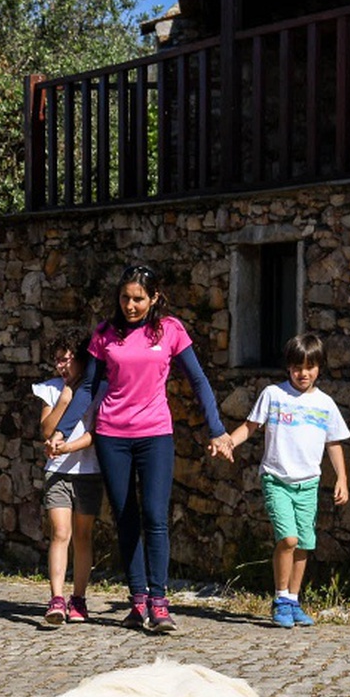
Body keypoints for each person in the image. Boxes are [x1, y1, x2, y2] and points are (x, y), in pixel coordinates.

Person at [50, 263, 232, 634]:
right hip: (112, 436)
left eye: (138, 299)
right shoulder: (105, 334)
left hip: (155, 435)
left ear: (154, 298)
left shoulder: (170, 330)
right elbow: (89, 388)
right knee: (126, 517)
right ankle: (137, 600)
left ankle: (159, 603)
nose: (130, 306)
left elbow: (198, 380)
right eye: (125, 298)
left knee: (154, 515)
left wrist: (216, 429)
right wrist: (62, 430)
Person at [221, 332, 350, 628]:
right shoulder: (274, 395)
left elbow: (334, 443)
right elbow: (250, 426)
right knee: (288, 539)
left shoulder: (326, 404)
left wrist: (342, 478)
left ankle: (293, 600)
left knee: (303, 544)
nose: (303, 373)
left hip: (309, 484)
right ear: (288, 367)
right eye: (296, 367)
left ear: (319, 367)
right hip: (277, 479)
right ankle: (280, 598)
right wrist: (229, 442)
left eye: (309, 367)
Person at [31, 335, 99, 625]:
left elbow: (96, 433)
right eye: (57, 360)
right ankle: (57, 598)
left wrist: (69, 447)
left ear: (82, 359)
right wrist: (65, 399)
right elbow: (46, 430)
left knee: (83, 536)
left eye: (66, 359)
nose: (61, 366)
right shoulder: (50, 389)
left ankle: (79, 598)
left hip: (89, 472)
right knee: (60, 533)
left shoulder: (97, 389)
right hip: (57, 472)